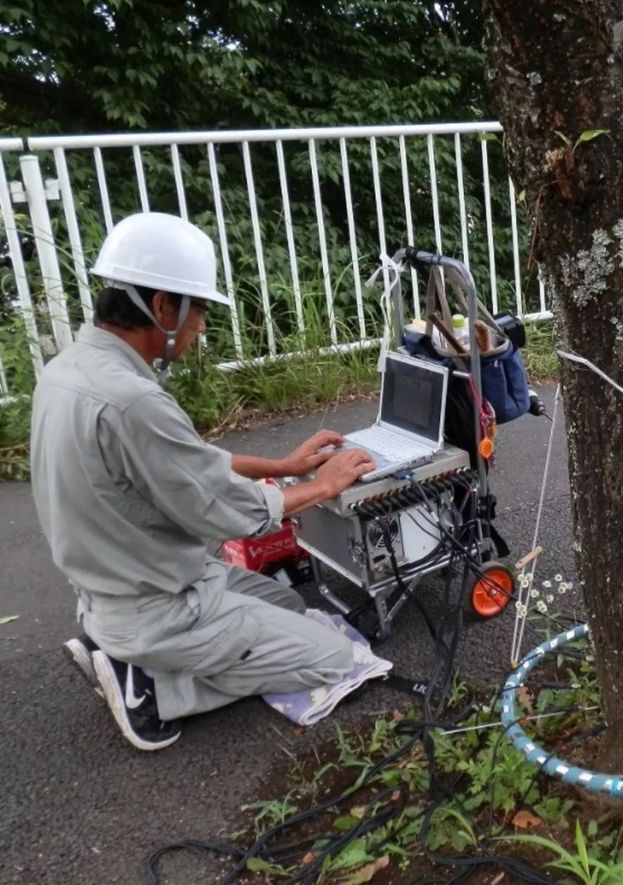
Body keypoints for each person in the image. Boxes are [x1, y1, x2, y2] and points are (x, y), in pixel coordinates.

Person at [30, 212, 375, 751]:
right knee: (331, 656)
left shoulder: (71, 369)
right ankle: (148, 684)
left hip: (121, 585)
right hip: (159, 606)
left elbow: (187, 463)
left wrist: (285, 465)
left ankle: (119, 648)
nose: (202, 328)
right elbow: (227, 509)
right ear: (163, 306)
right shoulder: (133, 401)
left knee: (286, 606)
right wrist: (323, 486)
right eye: (200, 312)